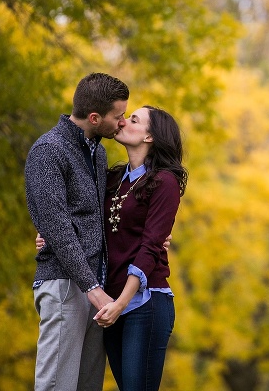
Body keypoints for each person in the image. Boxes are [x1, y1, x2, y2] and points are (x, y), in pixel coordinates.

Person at [26, 72, 129, 390]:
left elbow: (96, 218)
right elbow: (57, 225)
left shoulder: (97, 153)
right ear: (95, 117)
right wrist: (92, 288)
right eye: (118, 116)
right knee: (56, 385)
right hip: (64, 287)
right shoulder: (48, 151)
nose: (122, 122)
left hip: (91, 288)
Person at [92, 105, 188, 391]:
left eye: (133, 119)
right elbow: (86, 218)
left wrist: (121, 303)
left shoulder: (165, 182)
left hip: (143, 304)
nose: (123, 121)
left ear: (150, 137)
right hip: (112, 304)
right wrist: (51, 234)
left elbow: (149, 247)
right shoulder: (113, 180)